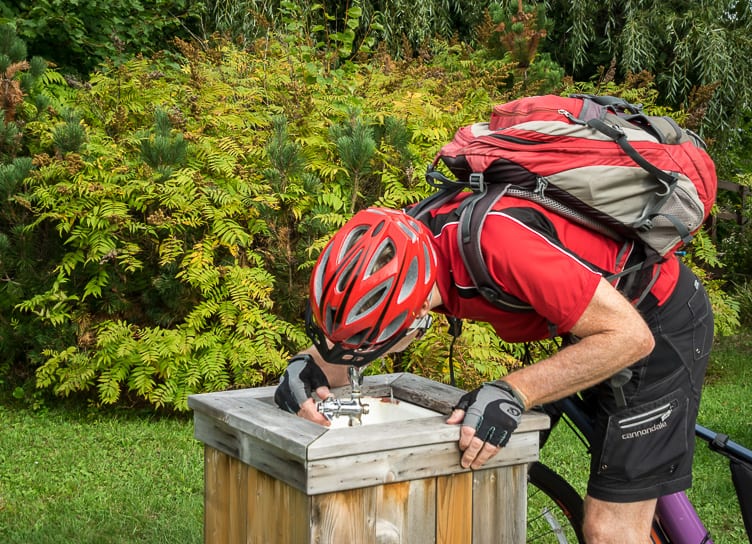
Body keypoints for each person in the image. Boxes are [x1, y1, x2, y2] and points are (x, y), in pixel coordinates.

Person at [275, 197, 713, 544]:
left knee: (609, 531)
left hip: (653, 323)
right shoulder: (409, 242)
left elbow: (630, 338)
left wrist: (513, 391)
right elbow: (369, 313)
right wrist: (311, 366)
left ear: (417, 321)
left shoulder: (501, 246)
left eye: (379, 345)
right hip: (594, 316)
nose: (366, 355)